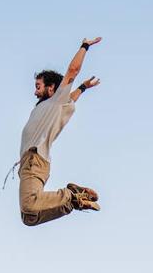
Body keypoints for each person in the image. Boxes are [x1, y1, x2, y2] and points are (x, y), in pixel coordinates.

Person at [14, 37, 103, 227]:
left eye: (38, 86)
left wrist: (84, 46)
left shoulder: (54, 101)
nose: (35, 92)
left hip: (34, 161)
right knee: (30, 217)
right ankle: (74, 201)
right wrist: (83, 88)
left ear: (51, 87)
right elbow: (71, 99)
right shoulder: (52, 107)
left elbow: (73, 71)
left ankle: (70, 195)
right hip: (31, 166)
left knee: (29, 204)